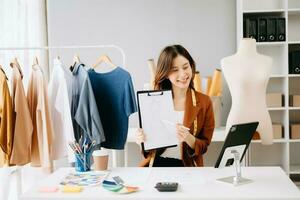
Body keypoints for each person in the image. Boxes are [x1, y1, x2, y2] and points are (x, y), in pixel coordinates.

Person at [136, 44, 215, 167]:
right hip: (156, 164)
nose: (183, 74)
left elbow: (204, 147)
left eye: (185, 67)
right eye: (175, 70)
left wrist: (188, 137)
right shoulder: (154, 101)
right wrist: (142, 140)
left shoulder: (205, 102)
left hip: (187, 167)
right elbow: (148, 151)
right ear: (166, 73)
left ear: (191, 66)